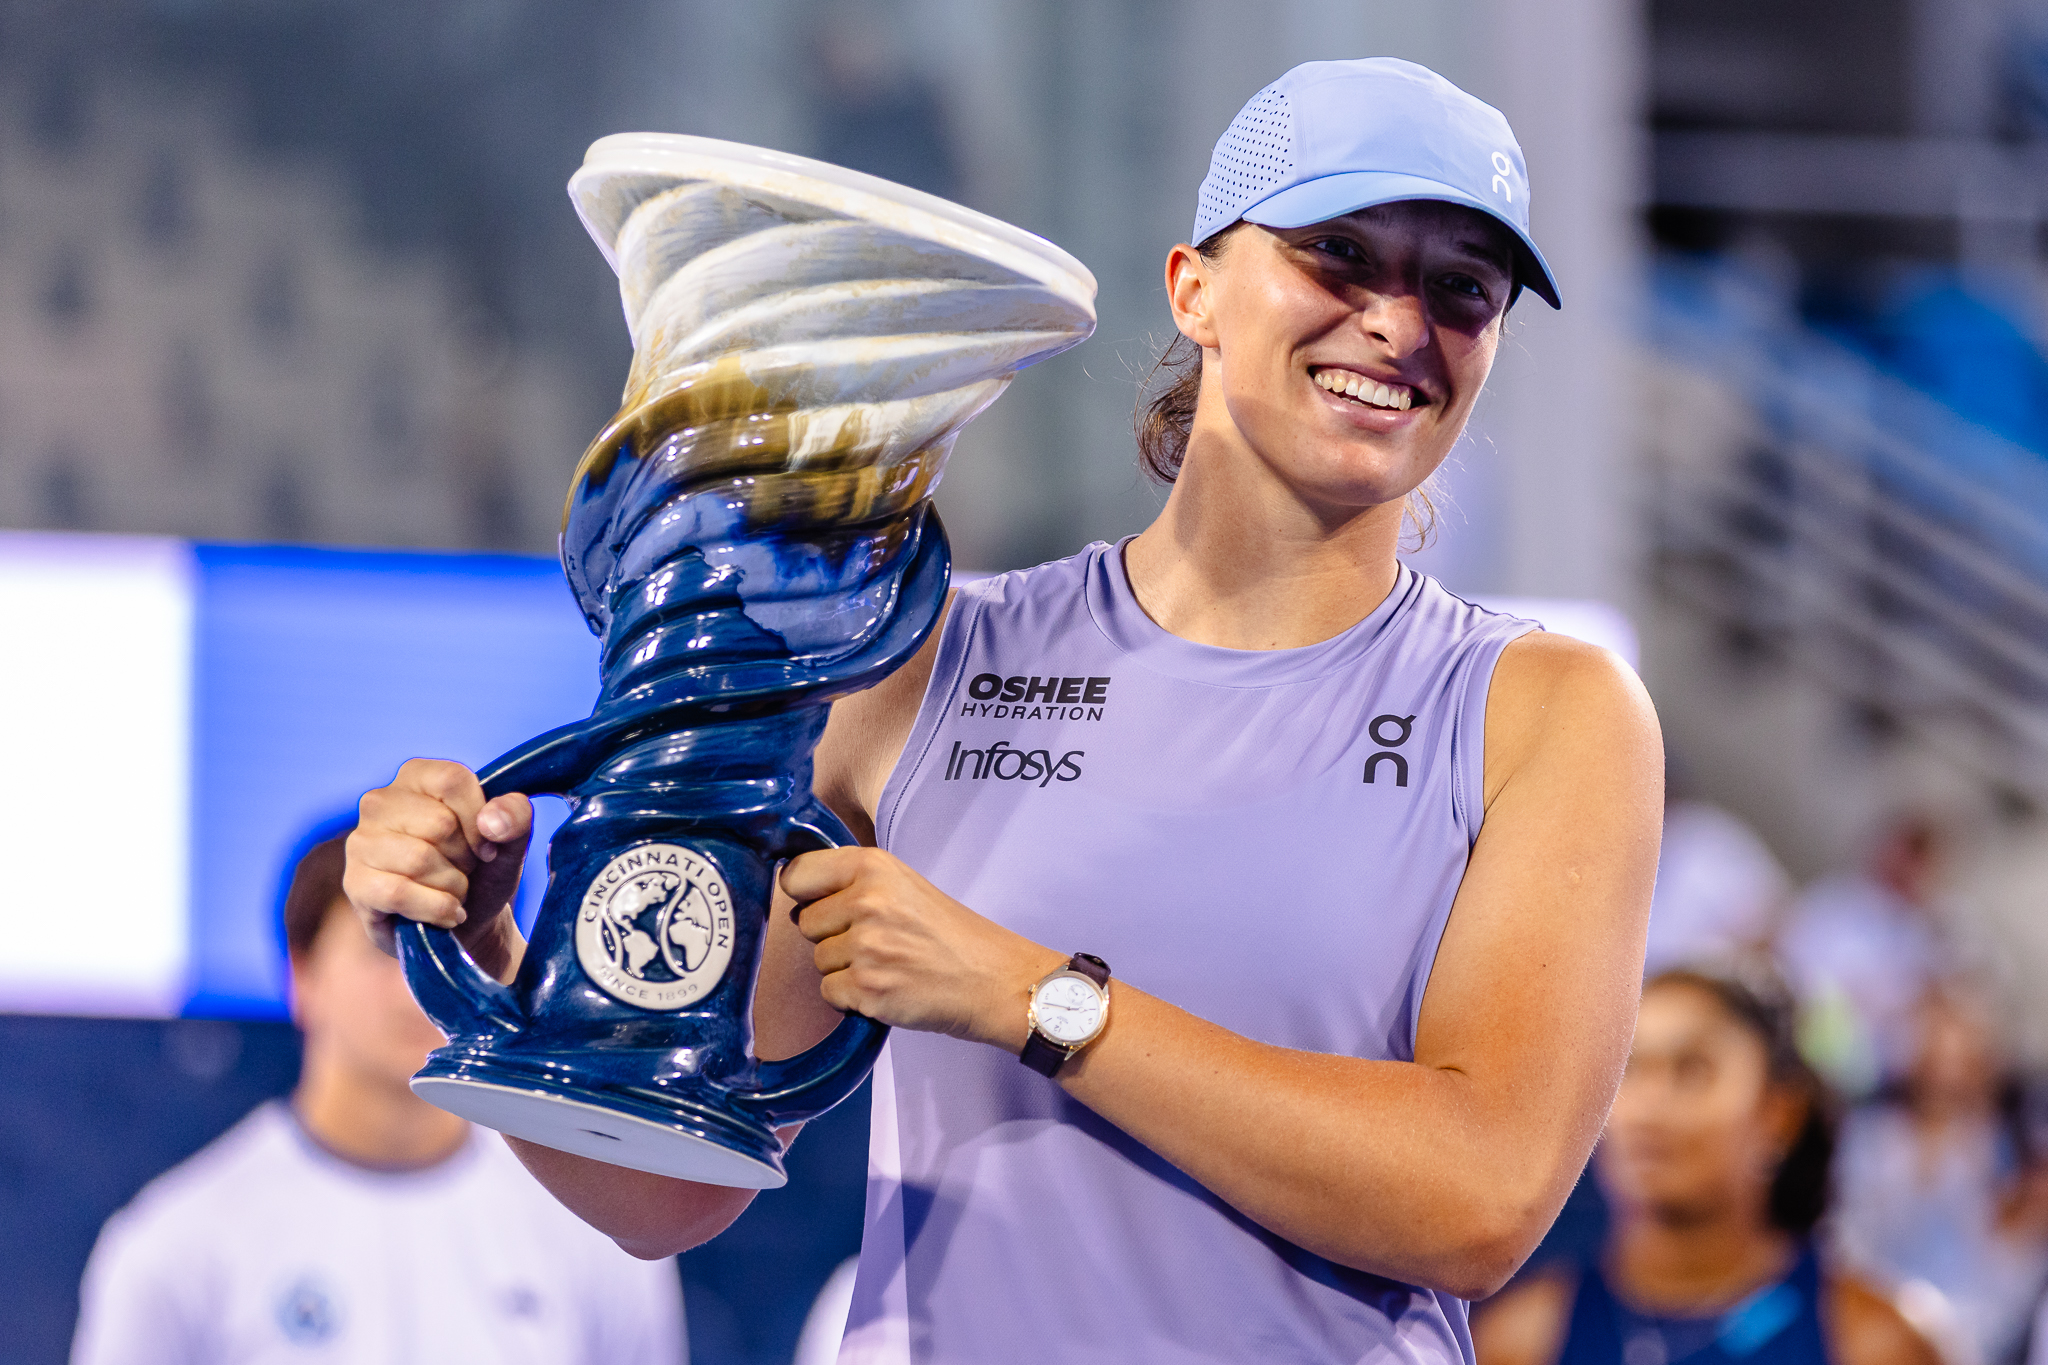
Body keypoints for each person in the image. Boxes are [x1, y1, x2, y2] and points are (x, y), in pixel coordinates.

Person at [346, 57, 1664, 1362]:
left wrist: (1032, 997)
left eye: (1461, 290)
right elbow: (661, 1193)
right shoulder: (914, 667)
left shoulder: (1545, 712)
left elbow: (1480, 1199)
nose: (1397, 322)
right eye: (1338, 255)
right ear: (1193, 288)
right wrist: (504, 963)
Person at [71, 829, 684, 1365]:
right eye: (386, 950)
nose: (421, 986)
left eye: (451, 948)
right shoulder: (176, 1246)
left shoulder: (592, 1227)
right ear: (301, 975)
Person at [1472, 970, 1938, 1365]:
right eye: (1626, 1068)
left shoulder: (1875, 1343)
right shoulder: (1519, 1339)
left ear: (1779, 1113)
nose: (1647, 1107)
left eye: (1692, 1070)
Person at [1832, 984, 2048, 1365]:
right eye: (1937, 1052)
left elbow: (1995, 1301)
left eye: (1961, 1057)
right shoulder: (1868, 1140)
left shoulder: (2005, 1156)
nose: (1946, 1077)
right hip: (1864, 1325)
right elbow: (1846, 1242)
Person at [1776, 814, 1955, 1097]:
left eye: (1919, 857)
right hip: (1803, 1054)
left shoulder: (1925, 936)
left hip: (1873, 1082)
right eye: (1905, 850)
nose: (1907, 864)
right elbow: (1793, 970)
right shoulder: (1831, 902)